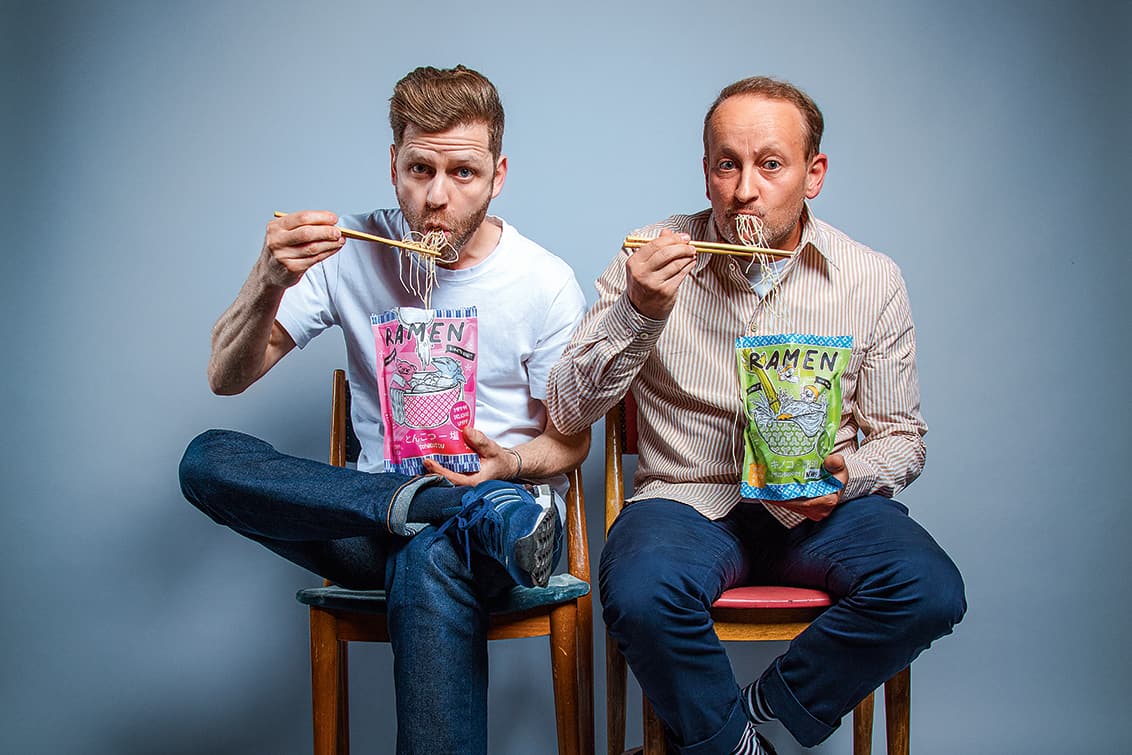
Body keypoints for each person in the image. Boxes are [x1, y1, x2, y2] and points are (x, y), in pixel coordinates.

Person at [546, 76, 965, 755]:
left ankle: (762, 711)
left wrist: (848, 477)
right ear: (706, 171)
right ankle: (740, 747)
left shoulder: (871, 278)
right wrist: (638, 312)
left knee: (929, 587)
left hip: (817, 511)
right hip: (689, 505)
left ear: (813, 173)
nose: (745, 189)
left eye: (770, 164)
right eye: (727, 164)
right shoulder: (647, 256)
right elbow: (568, 409)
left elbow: (902, 438)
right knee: (640, 593)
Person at [178, 65, 589, 755]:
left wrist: (510, 464)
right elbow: (226, 375)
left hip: (508, 536)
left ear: (498, 175)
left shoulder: (543, 282)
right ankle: (429, 503)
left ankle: (456, 509)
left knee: (432, 553)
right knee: (207, 459)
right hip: (371, 521)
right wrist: (267, 279)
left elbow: (571, 443)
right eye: (419, 170)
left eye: (463, 173)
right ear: (393, 165)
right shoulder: (353, 250)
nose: (437, 197)